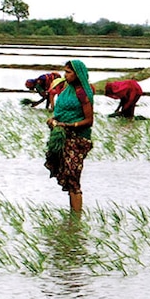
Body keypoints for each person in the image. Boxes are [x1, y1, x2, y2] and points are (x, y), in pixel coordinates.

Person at [44, 59, 95, 214]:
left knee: (74, 178)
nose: (65, 75)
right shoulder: (66, 89)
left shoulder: (82, 92)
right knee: (68, 177)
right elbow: (58, 113)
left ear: (78, 74)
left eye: (69, 72)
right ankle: (73, 219)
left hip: (77, 139)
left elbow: (89, 120)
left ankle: (76, 218)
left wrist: (69, 125)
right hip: (63, 136)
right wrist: (53, 120)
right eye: (65, 71)